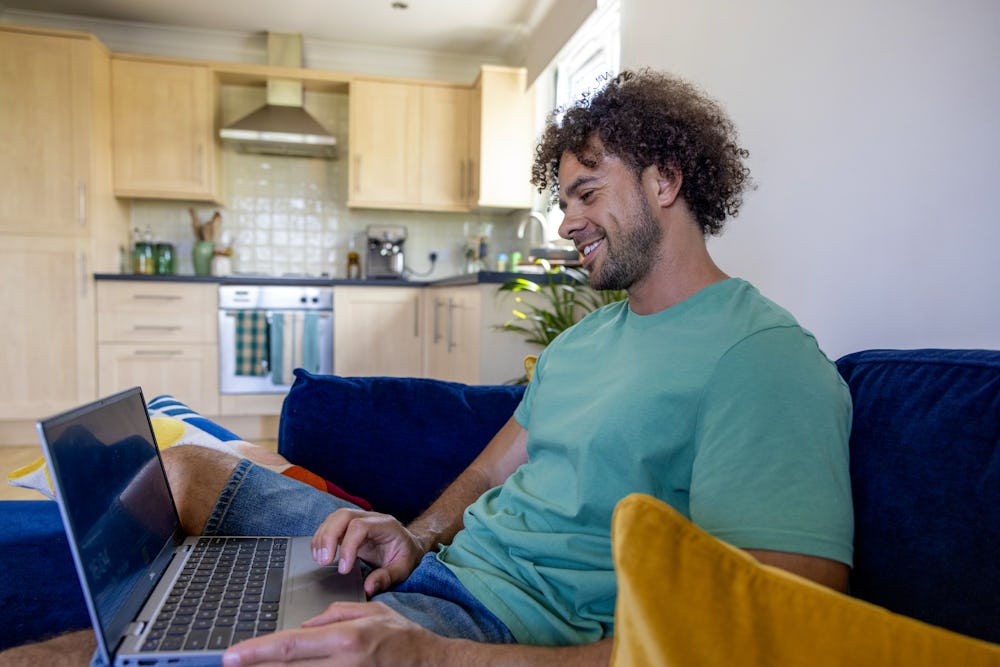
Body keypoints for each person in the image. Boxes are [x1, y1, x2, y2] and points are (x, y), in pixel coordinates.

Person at [2, 69, 853, 666]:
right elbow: (489, 467)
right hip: (434, 570)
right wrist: (412, 534)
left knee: (180, 651)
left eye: (588, 193)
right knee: (183, 470)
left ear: (667, 179)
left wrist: (433, 655)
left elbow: (768, 634)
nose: (566, 223)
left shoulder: (762, 360)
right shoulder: (589, 340)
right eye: (563, 200)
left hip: (494, 629)